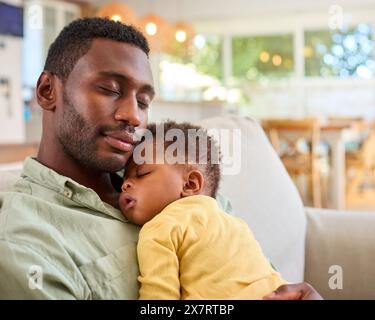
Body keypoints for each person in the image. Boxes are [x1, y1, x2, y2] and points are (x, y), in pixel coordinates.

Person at [0, 17, 322, 300]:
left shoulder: (174, 179)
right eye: (110, 89)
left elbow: (253, 274)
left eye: (143, 100)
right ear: (46, 91)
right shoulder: (25, 240)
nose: (134, 117)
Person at [120, 121, 288, 299]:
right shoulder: (237, 224)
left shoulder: (160, 228)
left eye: (142, 174)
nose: (125, 185)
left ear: (190, 184)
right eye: (124, 180)